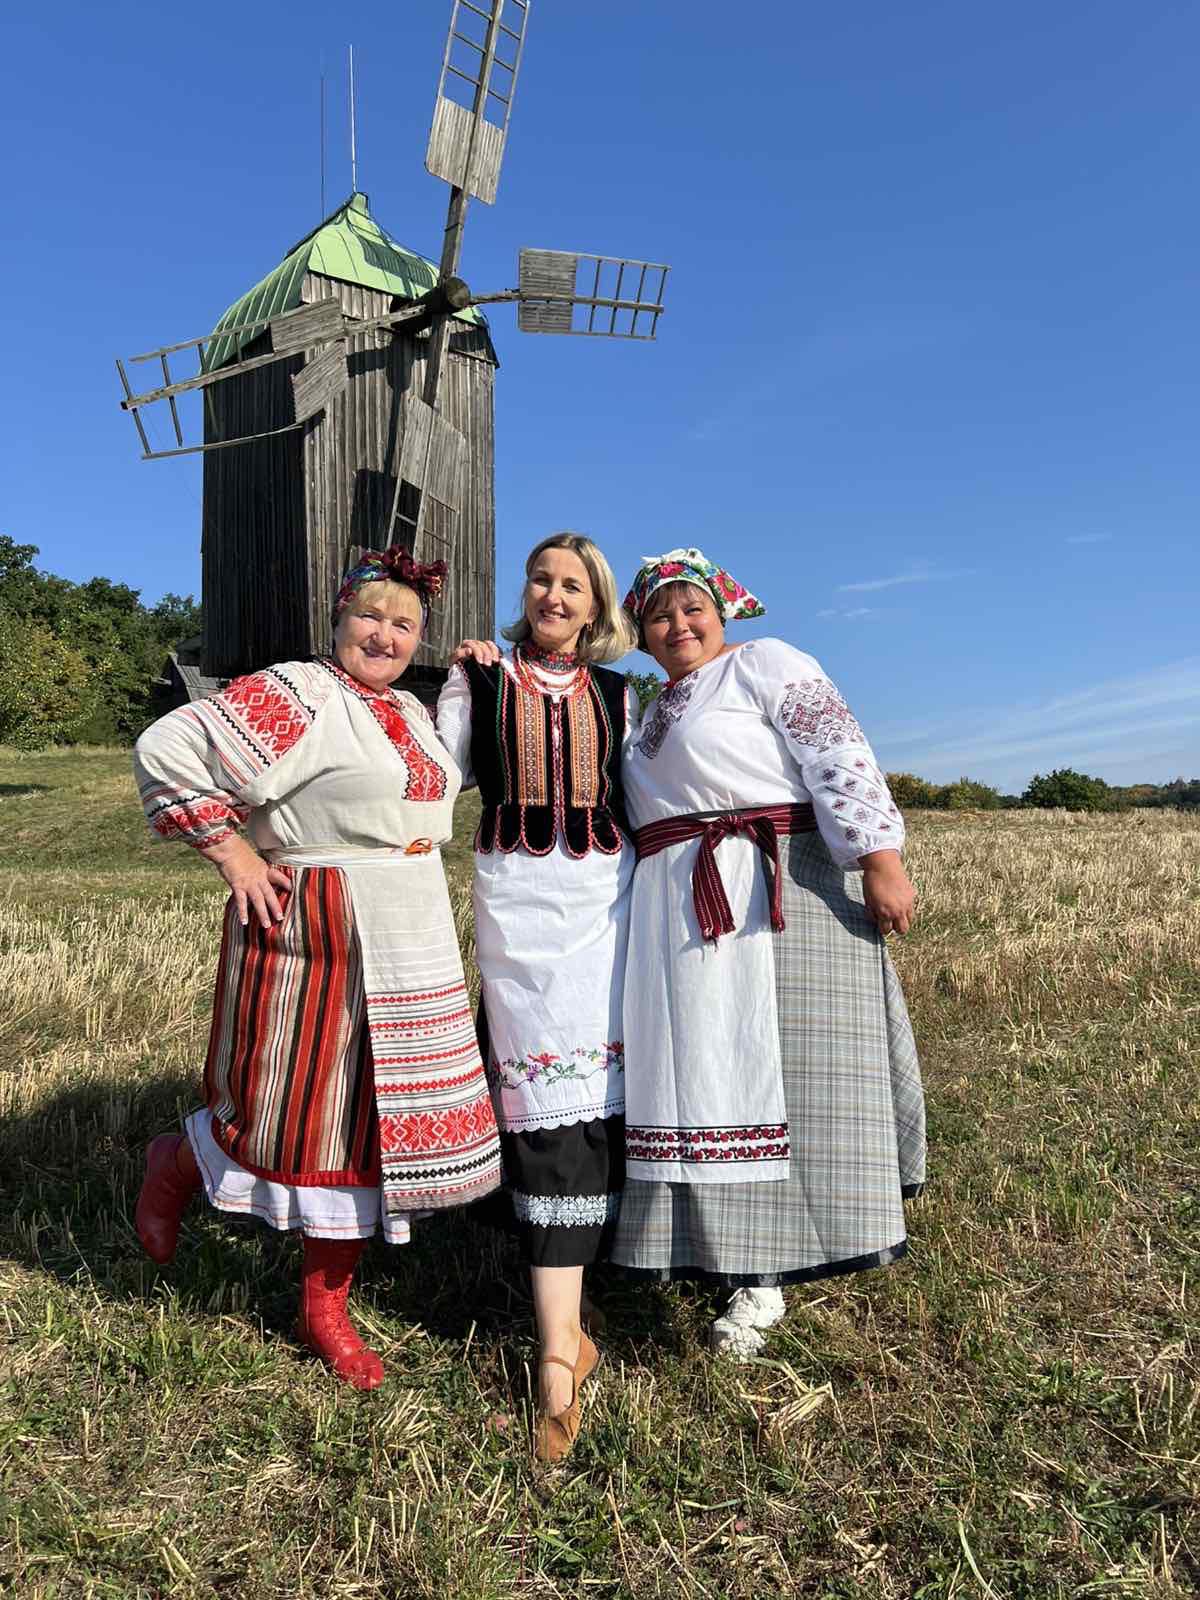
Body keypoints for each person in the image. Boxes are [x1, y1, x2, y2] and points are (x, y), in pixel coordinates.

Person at [131, 548, 501, 1389]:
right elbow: (167, 744)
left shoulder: (406, 711)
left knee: (372, 1123)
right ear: (338, 620)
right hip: (316, 925)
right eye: (370, 615)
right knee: (292, 1110)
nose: (385, 635)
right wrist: (231, 851)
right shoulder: (299, 690)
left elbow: (448, 778)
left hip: (410, 928)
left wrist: (473, 677)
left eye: (404, 624)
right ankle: (177, 1164)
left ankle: (323, 1306)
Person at [612, 547, 925, 1357]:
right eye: (659, 616)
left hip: (772, 889)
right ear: (641, 634)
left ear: (722, 612)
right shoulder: (651, 711)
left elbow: (837, 750)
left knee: (787, 1075)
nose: (679, 625)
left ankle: (768, 1273)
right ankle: (716, 1246)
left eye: (692, 608)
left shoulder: (765, 664)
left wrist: (879, 858)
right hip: (678, 913)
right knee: (704, 1082)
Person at [436, 533, 638, 1460]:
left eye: (573, 586)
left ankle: (567, 1337)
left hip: (608, 908)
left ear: (596, 607)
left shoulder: (620, 695)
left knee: (606, 1101)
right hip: (518, 911)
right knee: (544, 1102)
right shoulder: (478, 678)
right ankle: (561, 1346)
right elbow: (431, 778)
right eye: (541, 580)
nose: (554, 596)